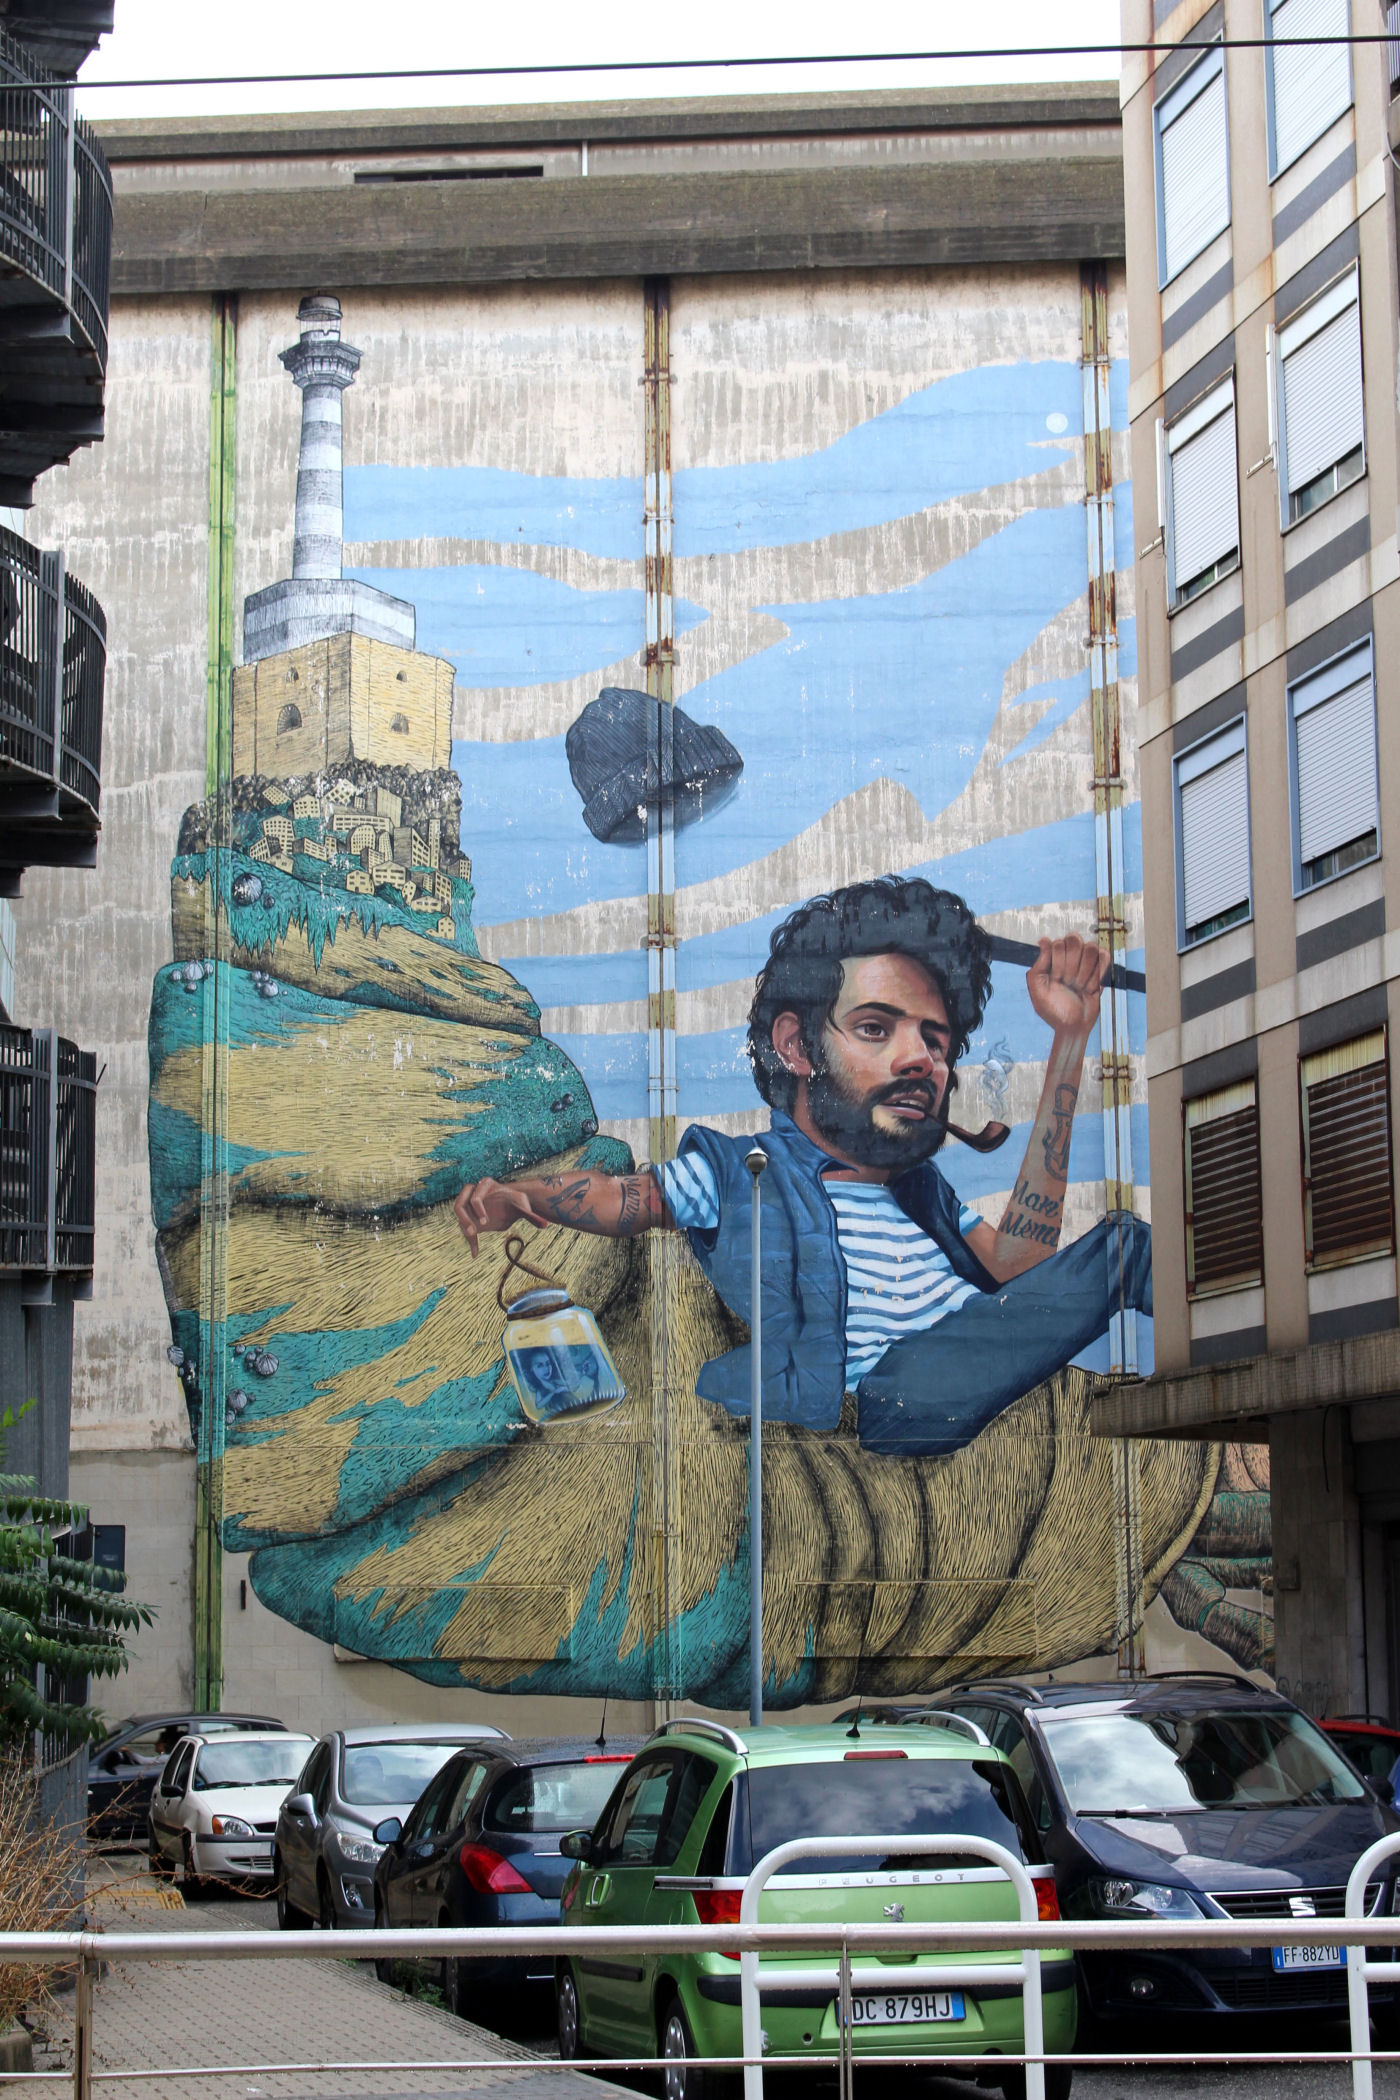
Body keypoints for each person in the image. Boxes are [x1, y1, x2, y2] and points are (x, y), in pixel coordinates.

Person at [455, 877, 1150, 1457]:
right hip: (895, 1397)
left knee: (1125, 1247)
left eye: (935, 1041)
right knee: (1115, 1252)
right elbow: (624, 1198)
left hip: (973, 1362)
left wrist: (1070, 1039)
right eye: (875, 1028)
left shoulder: (921, 1192)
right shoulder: (743, 1173)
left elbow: (1019, 1265)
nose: (921, 1059)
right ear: (796, 1046)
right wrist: (520, 1196)